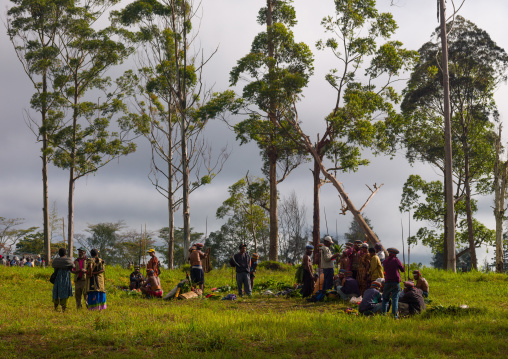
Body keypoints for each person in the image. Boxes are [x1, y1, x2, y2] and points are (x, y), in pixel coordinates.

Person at [381, 247, 405, 319]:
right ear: (395, 254)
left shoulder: (385, 262)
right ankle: (394, 316)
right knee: (395, 299)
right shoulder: (396, 260)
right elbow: (402, 269)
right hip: (395, 282)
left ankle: (383, 315)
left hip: (387, 282)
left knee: (385, 299)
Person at [52, 248, 74, 312]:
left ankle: (55, 308)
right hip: (65, 279)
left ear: (59, 253)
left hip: (57, 279)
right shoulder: (68, 260)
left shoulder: (55, 260)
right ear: (65, 253)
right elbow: (73, 266)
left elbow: (53, 266)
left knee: (56, 292)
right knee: (65, 293)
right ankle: (63, 309)